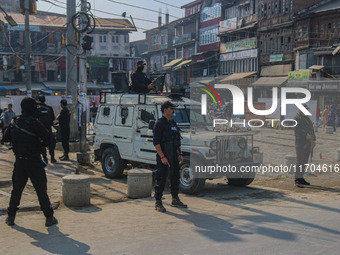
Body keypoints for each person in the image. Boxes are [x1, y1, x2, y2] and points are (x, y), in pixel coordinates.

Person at [2, 97, 57, 226]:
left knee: (16, 190)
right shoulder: (35, 123)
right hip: (34, 161)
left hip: (19, 162)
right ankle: (49, 217)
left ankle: (11, 217)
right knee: (40, 190)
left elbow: (5, 138)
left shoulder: (14, 122)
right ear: (32, 108)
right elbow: (48, 140)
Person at [153, 101, 187, 212]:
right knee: (161, 178)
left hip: (174, 155)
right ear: (165, 110)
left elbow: (177, 140)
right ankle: (158, 202)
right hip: (164, 156)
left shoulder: (172, 123)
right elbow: (156, 142)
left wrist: (180, 154)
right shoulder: (159, 124)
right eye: (171, 108)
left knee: (175, 177)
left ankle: (175, 199)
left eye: (173, 108)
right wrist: (162, 157)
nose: (173, 110)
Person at [294, 104, 316, 186]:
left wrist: (313, 140)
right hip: (300, 143)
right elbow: (297, 129)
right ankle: (297, 179)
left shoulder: (307, 118)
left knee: (304, 161)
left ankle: (301, 177)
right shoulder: (297, 118)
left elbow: (312, 129)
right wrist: (305, 134)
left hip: (308, 142)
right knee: (299, 161)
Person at [36, 95, 57, 164]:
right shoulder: (49, 108)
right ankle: (52, 158)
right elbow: (53, 119)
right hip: (48, 129)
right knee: (51, 143)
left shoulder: (37, 109)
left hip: (40, 129)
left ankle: (45, 158)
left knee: (42, 145)